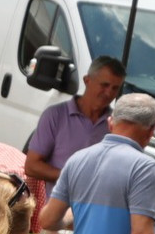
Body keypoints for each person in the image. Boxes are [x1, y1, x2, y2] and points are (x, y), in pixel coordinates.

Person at [37, 92, 155, 234]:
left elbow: (48, 220)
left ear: (110, 122)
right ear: (151, 131)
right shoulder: (144, 167)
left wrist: (76, 215)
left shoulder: (77, 159)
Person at [24, 56, 125, 185]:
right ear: (87, 80)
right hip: (58, 203)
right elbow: (31, 166)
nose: (109, 93)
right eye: (104, 85)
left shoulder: (117, 125)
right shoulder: (56, 115)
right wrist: (73, 177)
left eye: (115, 88)